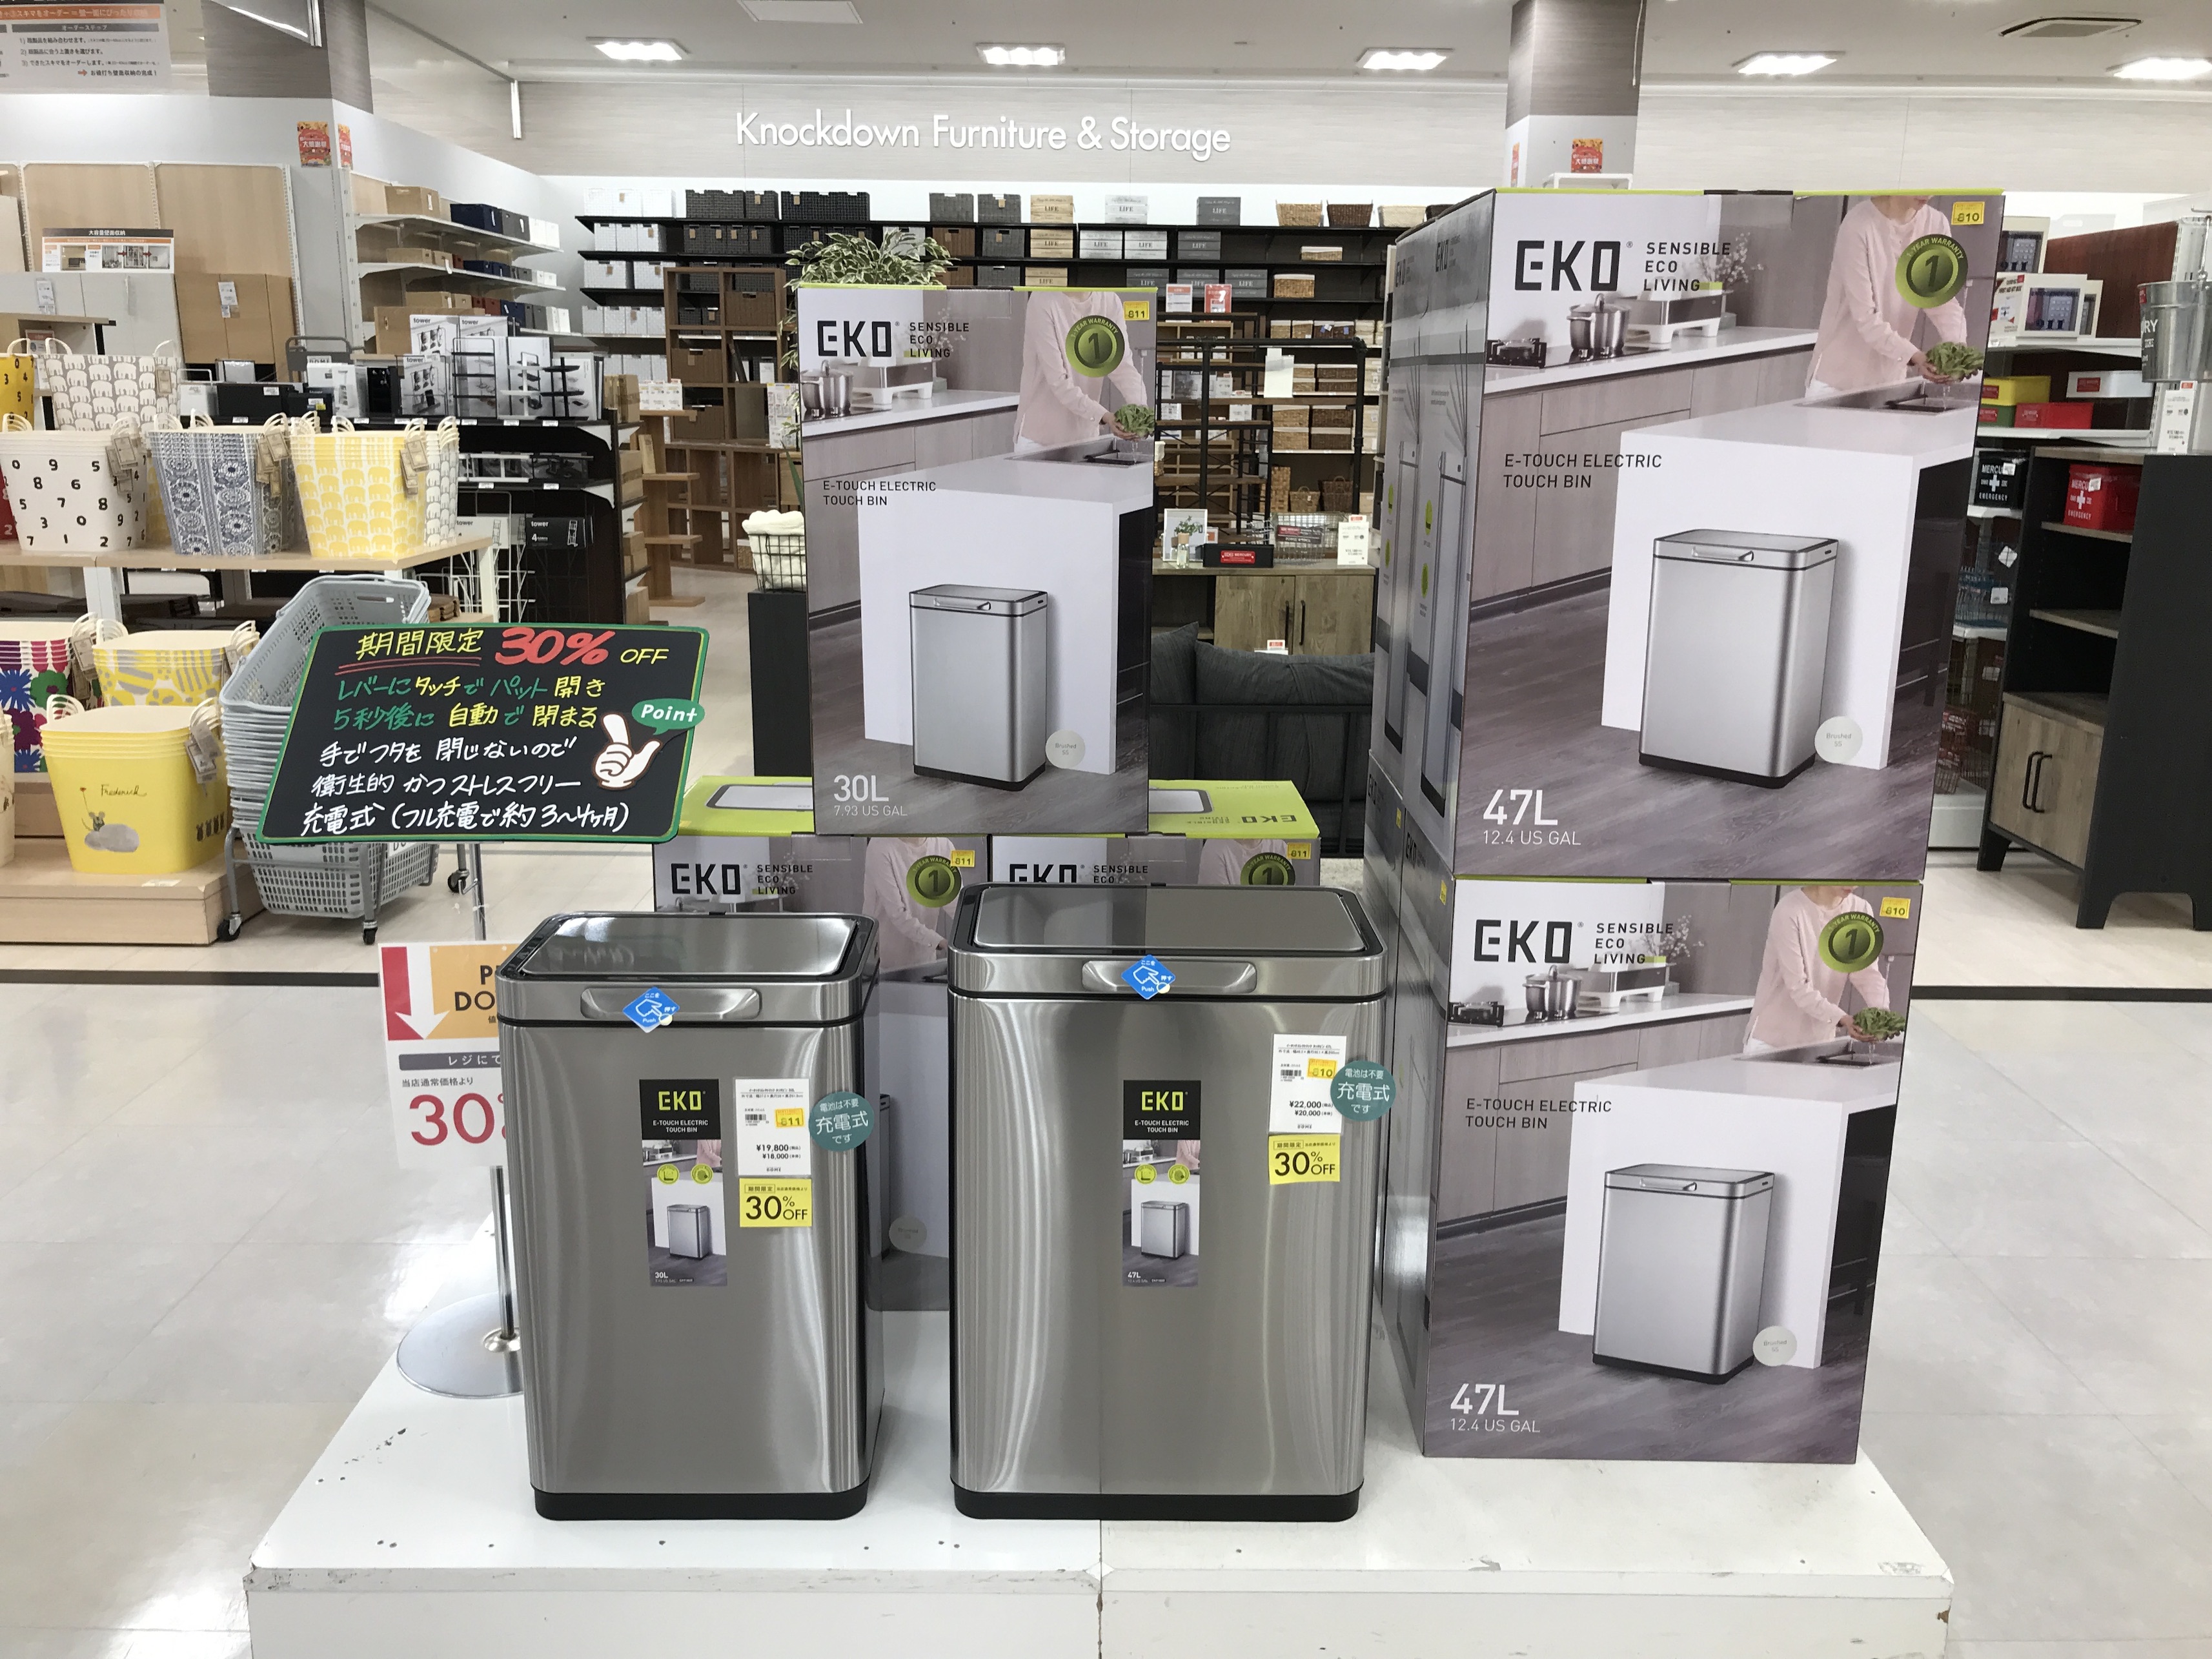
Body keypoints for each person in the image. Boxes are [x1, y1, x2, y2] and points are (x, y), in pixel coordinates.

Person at [1805, 196, 1970, 396]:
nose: (1928, 193)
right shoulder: (1858, 225)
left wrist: (1956, 349)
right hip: (1836, 382)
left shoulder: (1935, 223)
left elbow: (1941, 302)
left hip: (1889, 382)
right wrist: (1915, 356)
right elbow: (1866, 318)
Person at [1743, 884, 1893, 1053]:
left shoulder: (1860, 909)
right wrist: (1843, 1019)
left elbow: (1867, 974)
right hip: (1771, 1041)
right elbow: (1798, 986)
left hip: (1820, 1042)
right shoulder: (1789, 910)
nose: (1853, 884)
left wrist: (1881, 1014)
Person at [1015, 289, 1152, 451]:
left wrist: (1140, 412)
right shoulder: (1043, 300)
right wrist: (1104, 416)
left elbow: (1123, 368)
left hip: (1085, 437)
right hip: (1039, 438)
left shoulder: (1109, 300)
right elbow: (1058, 381)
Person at [863, 835, 959, 972]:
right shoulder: (880, 846)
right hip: (884, 963)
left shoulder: (944, 845)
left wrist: (973, 933)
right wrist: (940, 942)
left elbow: (955, 903)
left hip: (925, 961)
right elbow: (898, 914)